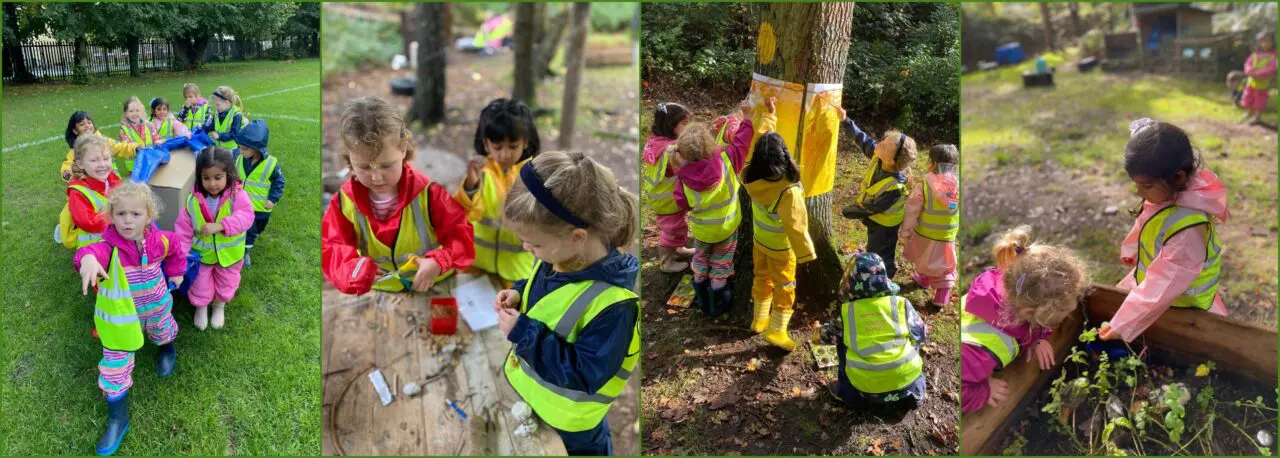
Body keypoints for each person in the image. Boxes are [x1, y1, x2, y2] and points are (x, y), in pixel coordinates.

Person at [495, 151, 639, 456]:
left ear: (577, 237)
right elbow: (548, 294)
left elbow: (587, 372)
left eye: (533, 244)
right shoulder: (557, 258)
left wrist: (523, 333)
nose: (526, 249)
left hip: (572, 432)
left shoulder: (615, 308)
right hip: (538, 406)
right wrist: (519, 293)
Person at [74, 182, 185, 455]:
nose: (127, 220)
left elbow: (176, 250)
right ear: (111, 216)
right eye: (121, 214)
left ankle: (166, 349)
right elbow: (89, 253)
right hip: (123, 321)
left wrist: (176, 271)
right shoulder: (108, 247)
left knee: (163, 330)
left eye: (135, 214)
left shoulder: (161, 240)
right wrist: (86, 260)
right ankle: (117, 418)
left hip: (158, 305)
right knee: (115, 365)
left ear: (149, 216)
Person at [321, 96, 475, 295]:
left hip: (432, 285)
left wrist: (438, 262)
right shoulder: (344, 203)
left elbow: (461, 237)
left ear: (403, 149)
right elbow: (332, 249)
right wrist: (358, 272)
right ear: (350, 157)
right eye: (364, 167)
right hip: (381, 291)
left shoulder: (428, 194)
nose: (376, 177)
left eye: (386, 166)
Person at [1099, 119, 1229, 343]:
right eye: (1136, 184)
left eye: (1146, 186)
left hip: (1184, 304)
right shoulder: (1172, 191)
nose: (1138, 192)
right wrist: (1132, 252)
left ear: (1178, 177)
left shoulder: (1188, 230)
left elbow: (1164, 283)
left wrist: (1123, 324)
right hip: (1162, 288)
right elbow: (1151, 221)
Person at [960, 226, 1091, 413]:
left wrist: (1038, 338)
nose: (1072, 308)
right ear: (1030, 313)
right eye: (1061, 310)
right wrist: (983, 391)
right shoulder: (981, 352)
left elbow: (1025, 323)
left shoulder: (1015, 286)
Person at [741, 96, 816, 350]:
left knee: (761, 278)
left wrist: (769, 115)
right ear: (784, 157)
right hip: (782, 250)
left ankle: (759, 320)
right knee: (785, 286)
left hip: (759, 242)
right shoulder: (789, 191)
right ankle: (776, 331)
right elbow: (797, 226)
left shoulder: (750, 174)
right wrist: (807, 255)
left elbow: (761, 139)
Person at [672, 100, 754, 318]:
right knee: (721, 266)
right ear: (710, 144)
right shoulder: (728, 159)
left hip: (701, 231)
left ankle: (702, 300)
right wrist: (748, 118)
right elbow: (743, 142)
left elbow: (682, 203)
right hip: (726, 228)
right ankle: (719, 306)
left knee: (700, 261)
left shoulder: (682, 176)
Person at [455, 98, 541, 284]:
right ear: (486, 144)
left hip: (517, 273)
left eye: (512, 146)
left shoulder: (536, 176)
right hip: (476, 266)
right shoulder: (481, 174)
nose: (504, 154)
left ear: (525, 142)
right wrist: (470, 185)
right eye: (497, 147)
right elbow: (460, 214)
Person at [831, 251, 927, 410]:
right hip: (905, 376)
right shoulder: (901, 303)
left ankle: (847, 394)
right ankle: (917, 393)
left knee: (842, 343)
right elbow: (921, 334)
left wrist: (817, 334)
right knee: (913, 340)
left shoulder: (848, 312)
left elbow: (829, 335)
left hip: (865, 384)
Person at [174, 147, 254, 330]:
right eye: (206, 178)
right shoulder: (192, 201)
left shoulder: (238, 196)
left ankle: (219, 306)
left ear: (229, 175)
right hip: (202, 257)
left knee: (227, 282)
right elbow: (183, 231)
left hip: (229, 257)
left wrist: (221, 226)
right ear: (199, 177)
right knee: (200, 283)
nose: (212, 184)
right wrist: (182, 256)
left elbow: (247, 217)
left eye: (218, 177)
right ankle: (201, 306)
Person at [839, 109, 918, 278]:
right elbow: (863, 141)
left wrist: (848, 211)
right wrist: (846, 121)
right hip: (876, 218)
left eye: (884, 144)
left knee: (881, 251)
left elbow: (872, 207)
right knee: (873, 247)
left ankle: (885, 275)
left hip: (886, 225)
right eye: (883, 141)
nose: (879, 144)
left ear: (890, 160)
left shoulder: (894, 188)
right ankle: (876, 269)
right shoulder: (879, 156)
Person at [900, 144, 960, 309]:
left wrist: (905, 231)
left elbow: (912, 208)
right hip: (948, 233)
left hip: (926, 231)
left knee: (924, 256)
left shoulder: (925, 183)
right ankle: (934, 288)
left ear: (933, 163)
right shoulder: (959, 183)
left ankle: (930, 282)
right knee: (945, 262)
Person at [642, 102, 695, 273]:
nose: (687, 128)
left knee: (678, 226)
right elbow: (682, 167)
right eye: (684, 124)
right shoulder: (670, 150)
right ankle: (666, 262)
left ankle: (677, 249)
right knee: (671, 231)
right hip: (667, 200)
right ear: (671, 125)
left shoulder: (655, 143)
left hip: (663, 197)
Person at [233, 119, 285, 266]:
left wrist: (272, 199)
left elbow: (279, 182)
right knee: (248, 230)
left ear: (257, 148)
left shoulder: (271, 164)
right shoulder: (238, 158)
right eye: (240, 148)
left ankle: (247, 243)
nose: (241, 151)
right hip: (241, 205)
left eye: (244, 149)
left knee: (257, 229)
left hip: (261, 207)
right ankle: (244, 251)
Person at [59, 111, 137, 181]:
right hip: (93, 187)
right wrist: (67, 173)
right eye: (82, 124)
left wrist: (135, 148)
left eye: (89, 123)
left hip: (113, 183)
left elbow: (120, 147)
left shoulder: (105, 142)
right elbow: (68, 165)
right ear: (75, 131)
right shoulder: (76, 151)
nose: (87, 126)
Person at [117, 96, 162, 176]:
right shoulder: (124, 130)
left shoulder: (148, 125)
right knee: (138, 187)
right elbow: (126, 145)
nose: (135, 113)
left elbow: (155, 136)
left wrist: (157, 140)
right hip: (135, 167)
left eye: (137, 110)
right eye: (131, 111)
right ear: (126, 113)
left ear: (141, 112)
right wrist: (136, 147)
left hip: (150, 162)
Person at [1240, 31, 1276, 125]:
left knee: (1260, 100)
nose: (1264, 44)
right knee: (1248, 97)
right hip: (1251, 82)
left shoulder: (1273, 56)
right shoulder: (1255, 54)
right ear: (1259, 42)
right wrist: (1248, 71)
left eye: (1267, 41)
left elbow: (1271, 68)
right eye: (1262, 41)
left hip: (1262, 83)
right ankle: (1249, 113)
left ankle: (1257, 117)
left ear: (1272, 42)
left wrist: (1258, 73)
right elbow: (1248, 63)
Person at [203, 86, 246, 150]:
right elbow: (211, 126)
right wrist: (202, 129)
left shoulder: (236, 115)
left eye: (218, 105)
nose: (216, 107)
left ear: (227, 102)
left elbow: (234, 134)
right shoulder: (217, 114)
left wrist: (219, 136)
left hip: (233, 149)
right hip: (221, 148)